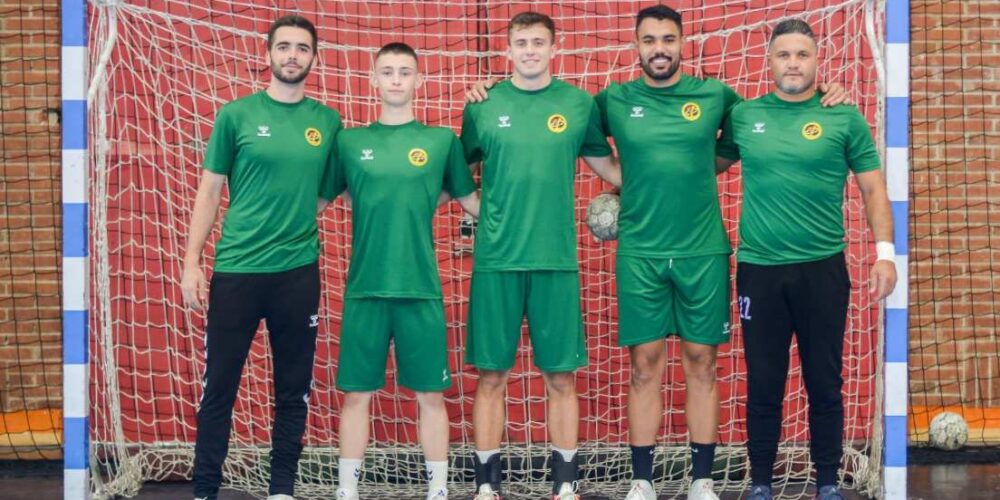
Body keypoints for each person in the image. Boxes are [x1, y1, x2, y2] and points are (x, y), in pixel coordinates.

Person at [467, 6, 849, 500]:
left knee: (701, 361)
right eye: (649, 40)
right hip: (640, 251)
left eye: (668, 39)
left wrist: (825, 95)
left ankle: (703, 480)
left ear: (682, 43)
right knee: (644, 363)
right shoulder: (607, 101)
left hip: (702, 249)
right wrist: (485, 91)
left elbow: (765, 119)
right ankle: (642, 480)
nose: (659, 48)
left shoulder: (716, 97)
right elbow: (555, 125)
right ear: (637, 47)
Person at [716, 19, 897, 500]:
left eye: (801, 54)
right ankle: (758, 483)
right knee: (763, 382)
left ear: (817, 60)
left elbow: (874, 188)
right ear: (769, 61)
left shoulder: (843, 116)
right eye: (783, 55)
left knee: (824, 381)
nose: (793, 63)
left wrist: (885, 255)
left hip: (823, 270)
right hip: (759, 271)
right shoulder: (742, 116)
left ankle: (827, 483)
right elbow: (696, 163)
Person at [459, 11, 621, 500]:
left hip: (556, 261)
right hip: (496, 261)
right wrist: (484, 213)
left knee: (561, 377)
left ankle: (565, 487)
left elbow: (607, 166)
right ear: (508, 49)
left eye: (538, 42)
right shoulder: (483, 106)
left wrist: (656, 190)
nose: (529, 50)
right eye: (521, 42)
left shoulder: (577, 104)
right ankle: (488, 488)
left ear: (555, 46)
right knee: (491, 376)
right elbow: (458, 173)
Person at [181, 15, 341, 500]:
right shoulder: (235, 116)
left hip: (297, 273)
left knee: (292, 390)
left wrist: (291, 217)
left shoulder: (327, 122)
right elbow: (210, 191)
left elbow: (327, 193)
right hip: (237, 271)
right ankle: (205, 489)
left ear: (315, 57)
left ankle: (281, 490)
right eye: (285, 46)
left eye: (302, 48)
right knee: (219, 389)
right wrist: (192, 261)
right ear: (268, 53)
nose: (293, 55)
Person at [329, 42, 480, 500]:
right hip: (365, 289)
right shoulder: (349, 143)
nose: (396, 79)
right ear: (373, 80)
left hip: (421, 289)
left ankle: (438, 491)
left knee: (431, 397)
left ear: (420, 81)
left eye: (405, 72)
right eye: (387, 72)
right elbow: (331, 198)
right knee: (356, 396)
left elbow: (472, 202)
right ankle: (346, 491)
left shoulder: (441, 143)